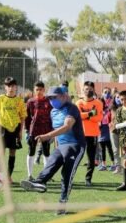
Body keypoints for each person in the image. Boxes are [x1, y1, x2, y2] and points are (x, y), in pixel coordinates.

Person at [20, 86, 86, 215]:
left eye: (54, 97)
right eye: (49, 98)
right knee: (51, 162)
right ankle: (40, 182)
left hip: (76, 146)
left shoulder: (71, 108)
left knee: (66, 175)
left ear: (63, 96)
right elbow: (56, 130)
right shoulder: (53, 112)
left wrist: (47, 136)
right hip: (61, 145)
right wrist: (55, 143)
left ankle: (62, 203)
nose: (51, 100)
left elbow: (67, 126)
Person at [0, 77, 26, 183]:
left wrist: (20, 131)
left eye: (13, 86)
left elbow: (22, 117)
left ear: (16, 87)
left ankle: (9, 176)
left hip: (15, 129)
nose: (11, 88)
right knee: (1, 152)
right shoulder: (0, 99)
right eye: (9, 86)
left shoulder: (19, 100)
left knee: (12, 152)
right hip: (3, 128)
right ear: (5, 87)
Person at [24, 81, 53, 180]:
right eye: (37, 89)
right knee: (31, 151)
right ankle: (29, 175)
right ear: (34, 90)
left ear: (44, 90)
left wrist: (52, 132)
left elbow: (52, 116)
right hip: (33, 130)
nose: (39, 91)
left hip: (46, 130)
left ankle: (46, 176)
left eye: (41, 89)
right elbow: (27, 118)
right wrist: (27, 131)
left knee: (46, 152)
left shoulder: (49, 101)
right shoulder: (30, 102)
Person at [77, 80, 103, 186]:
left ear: (94, 90)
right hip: (79, 133)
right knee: (76, 157)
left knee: (91, 158)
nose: (88, 91)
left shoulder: (98, 103)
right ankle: (70, 176)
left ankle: (88, 179)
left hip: (92, 134)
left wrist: (85, 115)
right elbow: (78, 116)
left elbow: (99, 118)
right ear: (83, 90)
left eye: (90, 89)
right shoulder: (79, 103)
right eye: (86, 89)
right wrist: (90, 114)